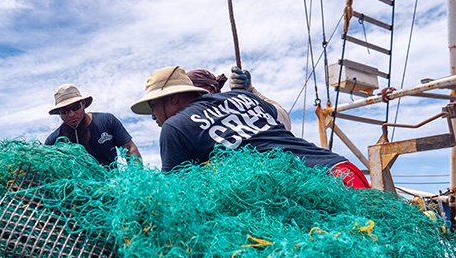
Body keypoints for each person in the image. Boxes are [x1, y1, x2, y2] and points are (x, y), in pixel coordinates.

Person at [131, 66, 370, 188]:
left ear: (172, 99)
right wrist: (251, 91)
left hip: (312, 191)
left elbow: (175, 196)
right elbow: (283, 122)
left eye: (153, 106)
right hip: (343, 170)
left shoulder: (174, 127)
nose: (152, 115)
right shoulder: (244, 97)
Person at [45, 84, 142, 166]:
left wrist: (138, 176)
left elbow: (129, 147)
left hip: (112, 185)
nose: (71, 114)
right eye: (64, 111)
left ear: (83, 104)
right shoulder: (53, 141)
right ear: (59, 113)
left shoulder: (107, 121)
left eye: (75, 107)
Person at [187, 67, 292, 131]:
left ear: (210, 90)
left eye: (190, 93)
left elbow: (283, 122)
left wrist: (250, 93)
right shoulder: (184, 123)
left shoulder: (232, 110)